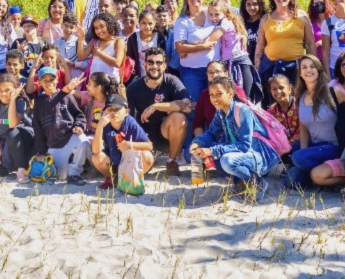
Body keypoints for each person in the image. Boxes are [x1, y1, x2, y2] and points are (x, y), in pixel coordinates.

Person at [191, 77, 279, 200]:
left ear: (230, 94)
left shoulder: (242, 110)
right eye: (211, 95)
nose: (215, 99)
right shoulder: (221, 112)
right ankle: (240, 182)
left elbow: (244, 145)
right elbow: (211, 133)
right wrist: (197, 143)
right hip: (242, 154)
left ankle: (258, 182)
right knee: (210, 156)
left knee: (227, 160)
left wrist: (212, 150)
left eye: (219, 94)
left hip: (259, 155)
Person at [125, 48, 191, 177]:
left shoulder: (171, 81)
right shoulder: (134, 87)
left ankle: (171, 161)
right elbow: (129, 119)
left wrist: (156, 106)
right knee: (142, 166)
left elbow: (187, 106)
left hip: (165, 132)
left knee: (179, 118)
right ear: (145, 65)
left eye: (159, 63)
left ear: (165, 65)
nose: (154, 66)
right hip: (143, 135)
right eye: (150, 62)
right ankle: (149, 157)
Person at [284, 55, 339, 189]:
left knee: (297, 158)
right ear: (300, 73)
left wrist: (302, 156)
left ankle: (334, 171)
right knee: (291, 181)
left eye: (312, 66)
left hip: (334, 146)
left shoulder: (332, 91)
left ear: (319, 70)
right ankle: (318, 173)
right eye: (304, 67)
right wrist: (304, 151)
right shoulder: (300, 96)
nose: (308, 70)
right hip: (314, 144)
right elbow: (303, 127)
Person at [255, 0, 316, 98]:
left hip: (296, 68)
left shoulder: (301, 16)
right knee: (274, 103)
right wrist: (258, 69)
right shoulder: (266, 18)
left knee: (296, 100)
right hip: (270, 68)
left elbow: (310, 43)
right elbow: (260, 46)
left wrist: (314, 65)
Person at [31, 66, 90, 185]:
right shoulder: (39, 102)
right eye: (45, 80)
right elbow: (37, 128)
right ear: (39, 82)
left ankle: (75, 174)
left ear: (57, 80)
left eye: (51, 79)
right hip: (53, 145)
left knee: (84, 142)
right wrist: (42, 152)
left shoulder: (66, 96)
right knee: (60, 176)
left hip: (69, 137)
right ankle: (67, 172)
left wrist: (78, 125)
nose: (49, 83)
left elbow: (79, 115)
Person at [91, 94, 155, 190]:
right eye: (109, 110)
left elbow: (149, 146)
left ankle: (132, 178)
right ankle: (114, 178)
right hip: (113, 162)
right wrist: (100, 126)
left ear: (126, 112)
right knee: (96, 157)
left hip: (130, 162)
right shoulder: (104, 123)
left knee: (148, 157)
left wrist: (130, 145)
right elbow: (96, 151)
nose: (113, 113)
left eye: (117, 109)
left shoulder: (130, 123)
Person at [204, 0, 262, 103]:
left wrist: (192, 47)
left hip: (238, 62)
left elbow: (212, 38)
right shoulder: (224, 21)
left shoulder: (225, 22)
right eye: (211, 14)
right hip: (231, 62)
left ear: (225, 13)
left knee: (242, 97)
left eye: (217, 14)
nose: (213, 18)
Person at [0, 73, 35, 180]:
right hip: (5, 139)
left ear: (15, 89)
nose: (3, 93)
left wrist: (12, 100)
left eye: (7, 90)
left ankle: (21, 169)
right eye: (0, 90)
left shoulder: (20, 101)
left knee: (11, 133)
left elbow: (12, 125)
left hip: (23, 137)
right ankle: (21, 162)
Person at [173, 0, 218, 104]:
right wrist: (203, 46)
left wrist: (243, 34)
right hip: (191, 73)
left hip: (215, 71)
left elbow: (233, 18)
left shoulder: (212, 12)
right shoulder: (182, 21)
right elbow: (180, 47)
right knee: (193, 107)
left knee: (215, 106)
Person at [192, 61, 246, 136]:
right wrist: (200, 142)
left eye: (217, 71)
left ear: (226, 73)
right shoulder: (205, 94)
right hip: (214, 137)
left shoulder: (237, 91)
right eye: (210, 72)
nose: (214, 75)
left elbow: (244, 125)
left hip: (237, 137)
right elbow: (198, 124)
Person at [77, 13, 126, 83]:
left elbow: (117, 63)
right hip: (94, 84)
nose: (99, 30)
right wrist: (81, 39)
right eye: (96, 28)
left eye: (102, 26)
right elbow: (81, 57)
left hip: (110, 84)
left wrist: (99, 53)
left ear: (109, 24)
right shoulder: (94, 41)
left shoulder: (118, 41)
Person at [125, 10, 167, 84]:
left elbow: (163, 58)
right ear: (139, 23)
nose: (147, 26)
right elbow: (130, 59)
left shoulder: (159, 38)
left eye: (150, 23)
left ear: (155, 23)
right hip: (138, 78)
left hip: (156, 77)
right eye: (144, 23)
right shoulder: (133, 38)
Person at [266, 74, 300, 146]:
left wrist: (289, 145)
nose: (278, 91)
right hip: (281, 147)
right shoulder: (270, 112)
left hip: (300, 144)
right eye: (274, 89)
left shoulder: (299, 105)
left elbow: (303, 130)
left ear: (289, 89)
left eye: (281, 88)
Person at [55, 14, 87, 80]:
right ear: (61, 25)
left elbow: (88, 62)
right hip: (60, 76)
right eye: (66, 26)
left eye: (71, 27)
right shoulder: (56, 43)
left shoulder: (80, 42)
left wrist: (74, 64)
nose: (68, 29)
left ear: (75, 29)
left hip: (75, 76)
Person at [239, 0, 267, 65]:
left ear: (260, 5)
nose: (252, 7)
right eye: (248, 4)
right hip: (246, 61)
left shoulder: (266, 20)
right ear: (244, 6)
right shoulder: (241, 23)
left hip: (263, 61)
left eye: (255, 4)